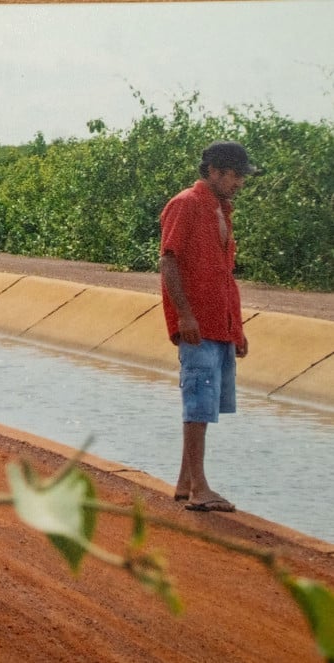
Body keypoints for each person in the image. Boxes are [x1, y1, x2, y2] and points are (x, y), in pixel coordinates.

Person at [159, 141, 257, 513]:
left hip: (220, 324)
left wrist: (237, 328)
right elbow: (169, 263)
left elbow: (223, 275)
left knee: (206, 403)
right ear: (214, 171)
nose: (239, 183)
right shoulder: (185, 204)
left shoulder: (221, 209)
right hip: (197, 323)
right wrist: (184, 316)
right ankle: (200, 487)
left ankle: (186, 482)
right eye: (234, 175)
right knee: (198, 403)